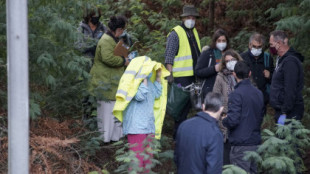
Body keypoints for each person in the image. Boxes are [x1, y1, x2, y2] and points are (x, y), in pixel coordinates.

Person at [88, 16, 129, 143]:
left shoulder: (113, 39)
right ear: (118, 29)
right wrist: (124, 61)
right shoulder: (106, 40)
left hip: (112, 81)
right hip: (105, 81)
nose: (123, 32)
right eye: (122, 29)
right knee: (106, 112)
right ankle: (105, 139)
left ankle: (114, 137)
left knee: (114, 110)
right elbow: (108, 58)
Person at [164, 4, 201, 137]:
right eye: (189, 17)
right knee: (180, 110)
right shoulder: (176, 33)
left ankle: (186, 134)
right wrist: (170, 75)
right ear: (183, 17)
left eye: (193, 17)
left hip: (194, 76)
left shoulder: (193, 31)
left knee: (193, 107)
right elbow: (169, 57)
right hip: (181, 78)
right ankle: (177, 136)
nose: (191, 20)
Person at [222, 61, 264, 173]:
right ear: (249, 73)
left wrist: (224, 120)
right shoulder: (258, 93)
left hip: (241, 144)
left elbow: (233, 120)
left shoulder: (236, 94)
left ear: (234, 74)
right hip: (255, 142)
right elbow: (260, 116)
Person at [123, 69, 162, 172]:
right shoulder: (132, 82)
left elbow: (157, 94)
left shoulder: (150, 83)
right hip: (136, 127)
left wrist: (158, 76)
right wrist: (143, 78)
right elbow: (140, 96)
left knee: (148, 159)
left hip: (149, 126)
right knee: (136, 160)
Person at [175, 92, 224, 174]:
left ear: (203, 106)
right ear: (221, 109)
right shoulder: (215, 133)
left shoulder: (184, 125)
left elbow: (177, 157)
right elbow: (214, 168)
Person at [212, 49, 242, 165]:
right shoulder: (220, 77)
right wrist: (223, 114)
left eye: (232, 60)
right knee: (226, 157)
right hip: (225, 119)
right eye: (227, 61)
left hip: (240, 118)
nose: (230, 63)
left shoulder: (242, 74)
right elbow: (216, 97)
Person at [269, 30, 304, 125]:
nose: (270, 47)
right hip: (281, 110)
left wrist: (285, 112)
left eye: (271, 44)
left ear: (279, 43)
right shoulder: (281, 60)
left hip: (289, 114)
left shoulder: (290, 63)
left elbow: (290, 88)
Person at [195, 28, 230, 99]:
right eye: (219, 41)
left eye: (223, 41)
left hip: (227, 90)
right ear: (215, 41)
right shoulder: (208, 53)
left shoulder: (230, 54)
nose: (221, 43)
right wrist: (214, 69)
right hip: (211, 91)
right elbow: (198, 72)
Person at [241, 33, 274, 105]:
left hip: (263, 98)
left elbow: (275, 78)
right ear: (250, 45)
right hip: (246, 97)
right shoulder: (242, 58)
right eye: (254, 46)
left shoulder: (267, 58)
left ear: (263, 46)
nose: (256, 49)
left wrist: (269, 75)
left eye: (259, 47)